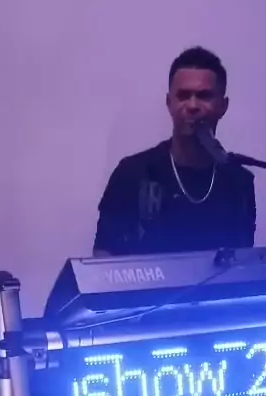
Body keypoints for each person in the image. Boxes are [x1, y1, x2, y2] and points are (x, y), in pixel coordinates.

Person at [93, 46, 256, 257]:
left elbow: (241, 265)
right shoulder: (132, 174)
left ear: (223, 106)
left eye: (204, 96)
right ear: (169, 103)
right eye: (183, 96)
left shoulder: (239, 183)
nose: (193, 105)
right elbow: (102, 263)